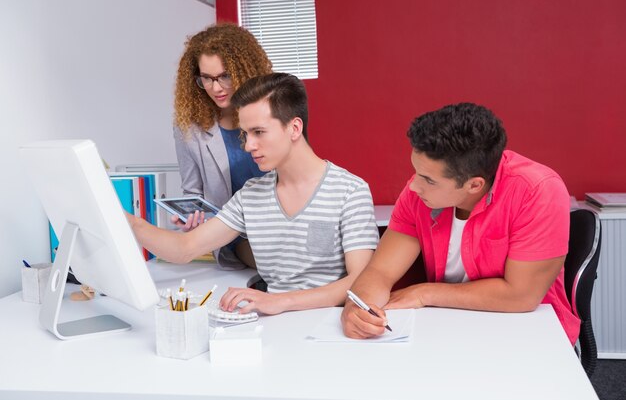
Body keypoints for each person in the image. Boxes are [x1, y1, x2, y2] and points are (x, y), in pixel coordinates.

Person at [127, 73, 379, 315]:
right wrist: (128, 222)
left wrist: (279, 301)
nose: (249, 146)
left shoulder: (350, 191)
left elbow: (360, 282)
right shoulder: (251, 195)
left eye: (258, 132)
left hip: (330, 326)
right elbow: (184, 248)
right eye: (245, 134)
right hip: (273, 326)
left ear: (294, 128)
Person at [341, 102, 580, 345]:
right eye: (416, 171)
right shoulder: (417, 195)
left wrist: (425, 293)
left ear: (474, 185)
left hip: (528, 330)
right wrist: (359, 308)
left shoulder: (537, 191)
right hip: (447, 325)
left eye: (428, 180)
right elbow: (380, 271)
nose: (413, 186)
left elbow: (521, 296)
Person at [172, 23, 272, 270]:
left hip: (283, 224)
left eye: (224, 76)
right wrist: (190, 217)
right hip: (235, 235)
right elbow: (192, 193)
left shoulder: (275, 110)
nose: (215, 88)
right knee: (275, 262)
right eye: (206, 78)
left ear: (243, 71)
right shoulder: (189, 128)